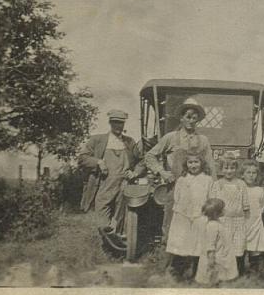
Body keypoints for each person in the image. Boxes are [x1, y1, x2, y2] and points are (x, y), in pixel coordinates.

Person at [145, 98, 216, 242]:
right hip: (175, 186)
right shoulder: (171, 138)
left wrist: (214, 188)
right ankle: (168, 255)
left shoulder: (203, 140)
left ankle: (192, 257)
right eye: (188, 117)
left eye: (194, 118)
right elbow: (150, 156)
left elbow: (210, 165)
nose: (191, 121)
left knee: (196, 220)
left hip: (198, 188)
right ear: (182, 118)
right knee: (172, 220)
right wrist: (163, 172)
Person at [78, 109, 144, 244]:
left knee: (122, 213)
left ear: (124, 124)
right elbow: (82, 158)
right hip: (104, 183)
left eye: (121, 123)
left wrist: (135, 172)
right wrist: (98, 162)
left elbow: (142, 161)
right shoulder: (98, 140)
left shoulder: (129, 142)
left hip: (124, 183)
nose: (118, 126)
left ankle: (120, 244)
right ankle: (106, 242)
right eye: (115, 123)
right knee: (102, 213)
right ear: (110, 123)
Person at [165, 153, 214, 281]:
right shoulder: (182, 180)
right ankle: (178, 271)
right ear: (186, 165)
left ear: (201, 164)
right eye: (190, 163)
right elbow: (177, 197)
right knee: (181, 242)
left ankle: (197, 272)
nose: (193, 165)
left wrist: (205, 212)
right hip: (183, 215)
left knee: (199, 243)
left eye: (196, 162)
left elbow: (210, 198)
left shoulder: (207, 180)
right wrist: (182, 210)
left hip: (200, 215)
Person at [210, 152, 250, 275]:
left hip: (238, 220)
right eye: (226, 168)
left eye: (232, 168)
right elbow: (213, 202)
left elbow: (245, 203)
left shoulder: (241, 184)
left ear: (236, 169)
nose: (229, 171)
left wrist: (246, 219)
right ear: (221, 169)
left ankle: (239, 271)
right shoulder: (217, 184)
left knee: (239, 244)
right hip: (223, 220)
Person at [195, 198, 238, 286]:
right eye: (223, 209)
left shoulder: (218, 223)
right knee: (213, 278)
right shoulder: (212, 226)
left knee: (220, 279)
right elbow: (210, 245)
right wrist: (211, 260)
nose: (225, 210)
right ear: (216, 213)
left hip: (221, 255)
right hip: (215, 258)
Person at [241, 160, 264, 274]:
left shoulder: (259, 190)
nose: (251, 175)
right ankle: (240, 269)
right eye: (248, 172)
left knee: (256, 247)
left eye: (254, 173)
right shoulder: (240, 188)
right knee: (241, 245)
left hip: (255, 222)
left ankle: (255, 270)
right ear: (242, 174)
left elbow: (261, 206)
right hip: (242, 222)